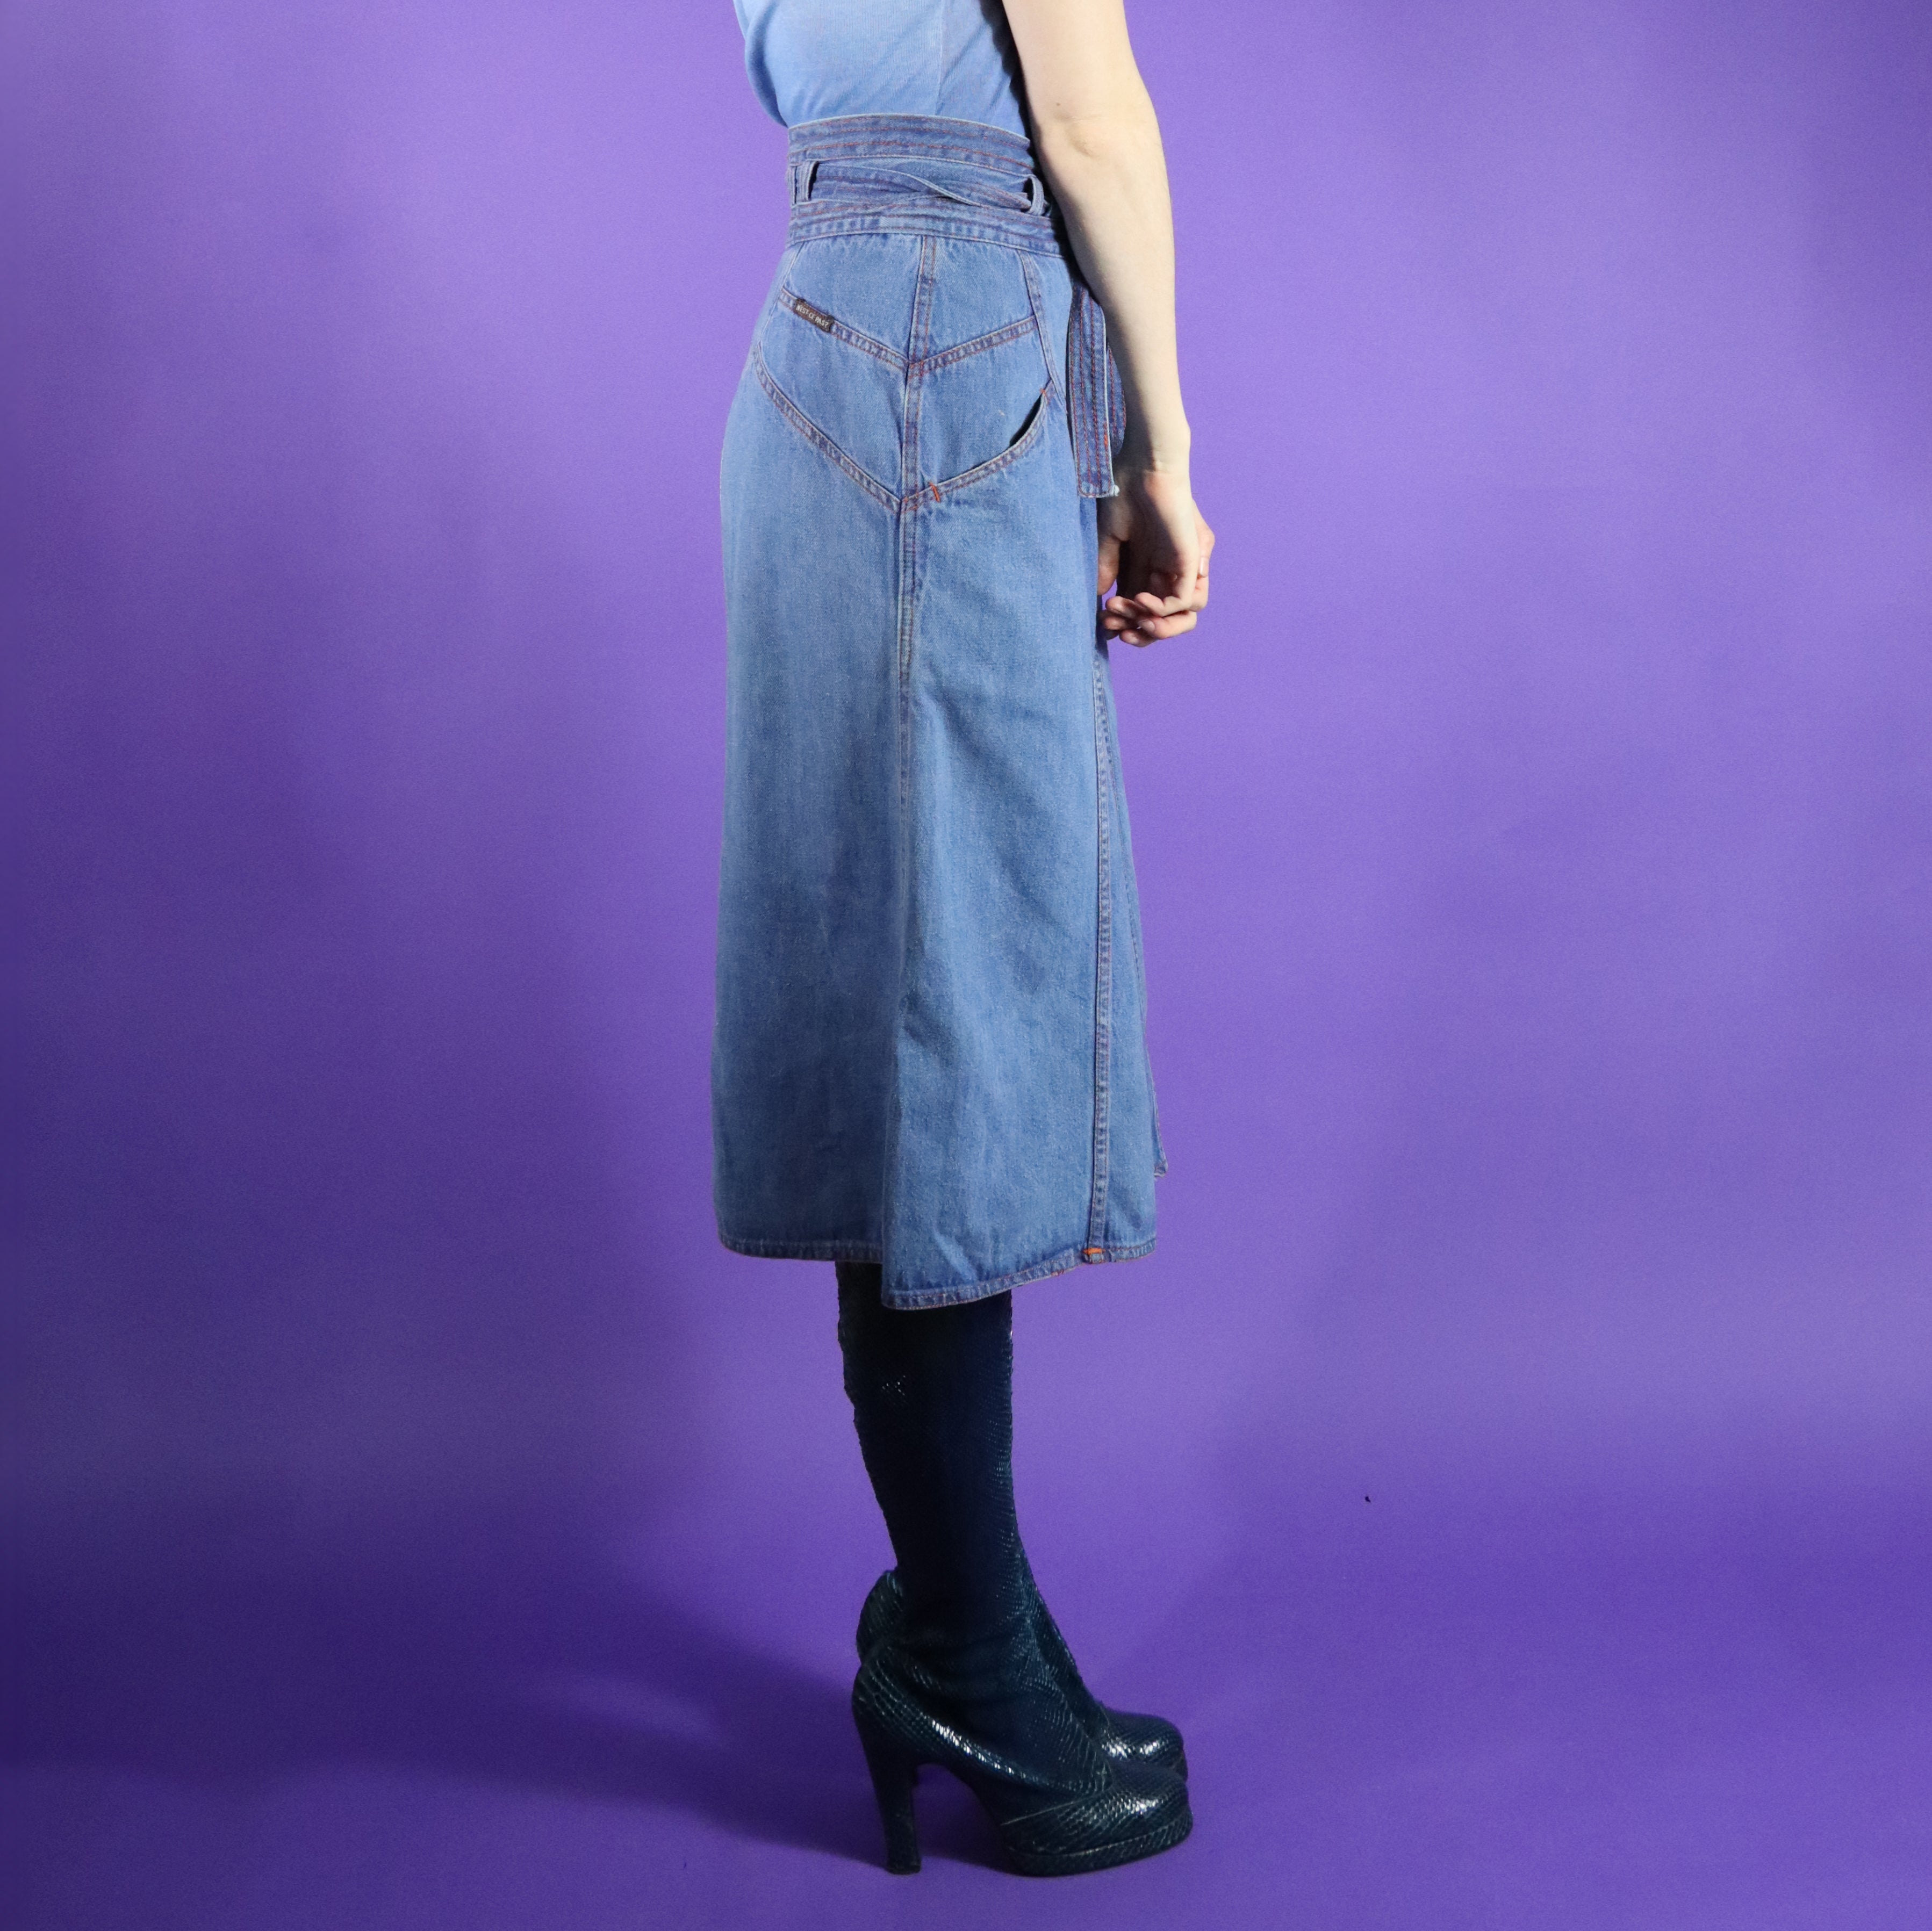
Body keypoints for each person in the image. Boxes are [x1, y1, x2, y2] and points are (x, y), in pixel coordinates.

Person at [714, 0, 1213, 1877]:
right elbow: (1086, 118)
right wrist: (1162, 448)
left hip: (825, 351)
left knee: (893, 990)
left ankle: (966, 1626)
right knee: (945, 1004)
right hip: (948, 354)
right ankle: (968, 1662)